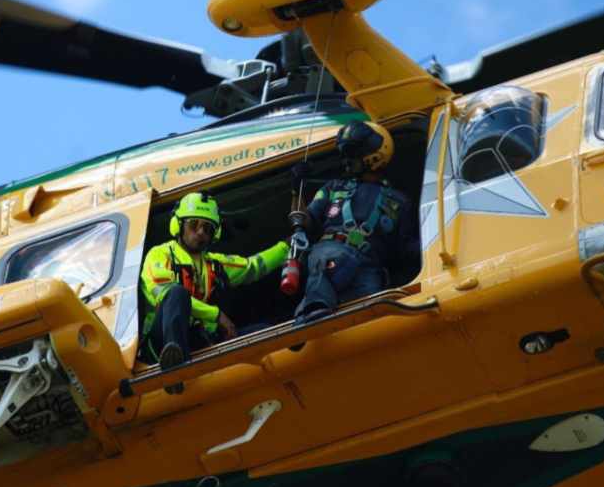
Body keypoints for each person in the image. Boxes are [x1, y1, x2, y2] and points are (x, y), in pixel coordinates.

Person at [140, 192, 288, 372]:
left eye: (208, 229)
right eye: (194, 225)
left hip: (202, 342)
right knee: (177, 293)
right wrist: (216, 315)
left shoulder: (214, 264)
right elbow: (164, 293)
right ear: (178, 225)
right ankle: (175, 367)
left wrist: (287, 247)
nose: (201, 232)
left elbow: (252, 267)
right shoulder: (160, 254)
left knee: (266, 331)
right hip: (160, 344)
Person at [293, 120, 417, 323]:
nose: (347, 161)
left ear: (374, 155)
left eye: (353, 154)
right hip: (331, 253)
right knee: (328, 262)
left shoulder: (400, 202)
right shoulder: (334, 188)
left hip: (368, 268)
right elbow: (303, 221)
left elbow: (406, 249)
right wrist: (295, 188)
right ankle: (309, 315)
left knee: (371, 319)